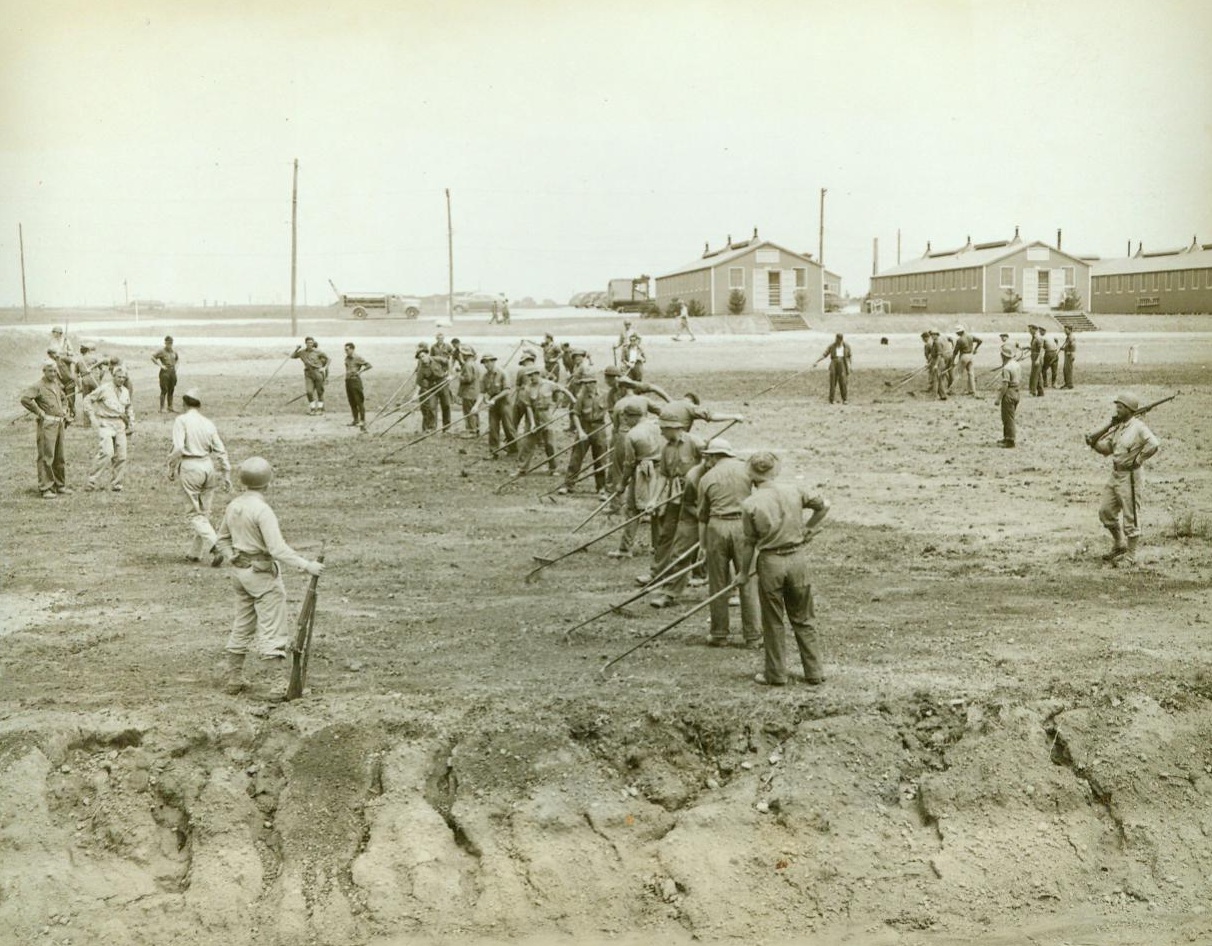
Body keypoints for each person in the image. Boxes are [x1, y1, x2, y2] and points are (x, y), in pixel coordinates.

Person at [212, 457, 325, 698]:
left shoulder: (234, 505)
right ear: (268, 482)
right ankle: (276, 684)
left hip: (240, 574)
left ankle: (234, 678)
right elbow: (277, 549)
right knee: (273, 626)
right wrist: (307, 566)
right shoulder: (262, 510)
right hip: (262, 575)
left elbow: (221, 539)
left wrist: (231, 556)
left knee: (242, 623)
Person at [738, 452, 830, 687]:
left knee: (773, 620)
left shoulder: (750, 504)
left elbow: (748, 543)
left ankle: (776, 674)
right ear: (774, 471)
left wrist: (742, 573)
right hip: (797, 559)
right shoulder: (794, 490)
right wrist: (808, 528)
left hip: (770, 562)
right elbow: (824, 506)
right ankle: (814, 672)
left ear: (752, 476)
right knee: (804, 617)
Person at [696, 439, 760, 646]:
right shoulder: (746, 470)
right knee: (748, 579)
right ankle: (753, 635)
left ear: (714, 456)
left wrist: (703, 545)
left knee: (718, 582)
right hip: (744, 526)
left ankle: (719, 634)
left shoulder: (706, 478)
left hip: (717, 526)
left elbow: (702, 516)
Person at [1086, 393, 1160, 566]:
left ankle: (1131, 556)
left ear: (1129, 409)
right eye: (1117, 406)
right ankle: (1119, 544)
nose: (1117, 410)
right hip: (1116, 474)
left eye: (1120, 407)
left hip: (1131, 477)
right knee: (1106, 511)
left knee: (1131, 516)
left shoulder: (1139, 427)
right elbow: (1107, 449)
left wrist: (1139, 459)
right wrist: (1094, 443)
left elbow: (1154, 444)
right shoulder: (1118, 427)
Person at [641, 410, 706, 589]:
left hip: (695, 497)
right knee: (666, 534)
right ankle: (657, 573)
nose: (661, 432)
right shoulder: (666, 449)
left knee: (695, 534)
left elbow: (709, 465)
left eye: (663, 428)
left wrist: (694, 480)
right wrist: (653, 499)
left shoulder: (696, 443)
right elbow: (663, 476)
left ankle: (699, 574)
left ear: (672, 428)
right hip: (674, 497)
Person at [167, 388, 232, 563]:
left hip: (190, 466)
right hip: (208, 466)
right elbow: (221, 450)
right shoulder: (208, 423)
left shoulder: (181, 420)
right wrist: (226, 473)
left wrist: (170, 465)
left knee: (194, 514)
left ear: (184, 404)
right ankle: (195, 553)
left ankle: (216, 546)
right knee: (204, 513)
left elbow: (178, 448)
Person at [611, 411, 664, 559]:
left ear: (634, 417)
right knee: (657, 507)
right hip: (661, 472)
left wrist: (622, 484)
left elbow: (629, 463)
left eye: (626, 419)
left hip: (643, 472)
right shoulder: (659, 426)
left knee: (632, 509)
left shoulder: (632, 434)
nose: (626, 422)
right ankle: (659, 547)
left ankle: (625, 549)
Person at [20, 361, 71, 498]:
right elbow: (25, 399)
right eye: (50, 371)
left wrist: (65, 409)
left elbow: (63, 398)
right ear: (44, 371)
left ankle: (60, 485)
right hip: (47, 425)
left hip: (59, 424)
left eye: (54, 371)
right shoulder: (38, 386)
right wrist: (39, 412)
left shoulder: (56, 384)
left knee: (60, 456)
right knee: (46, 456)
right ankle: (46, 487)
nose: (53, 374)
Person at [515, 366, 574, 475]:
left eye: (533, 375)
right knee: (527, 443)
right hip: (533, 415)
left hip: (546, 415)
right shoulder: (527, 388)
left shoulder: (549, 384)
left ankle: (553, 468)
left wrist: (574, 401)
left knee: (550, 443)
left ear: (538, 374)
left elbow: (564, 390)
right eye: (529, 375)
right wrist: (532, 423)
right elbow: (528, 407)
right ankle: (522, 468)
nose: (531, 377)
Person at [83, 365, 134, 492]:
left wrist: (131, 423)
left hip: (120, 424)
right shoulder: (104, 389)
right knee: (106, 452)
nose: (121, 379)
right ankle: (92, 481)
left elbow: (129, 407)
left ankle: (116, 483)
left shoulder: (125, 391)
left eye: (123, 377)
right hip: (105, 423)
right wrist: (92, 417)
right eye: (119, 377)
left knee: (121, 455)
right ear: (113, 376)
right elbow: (87, 399)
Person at [560, 376, 610, 497]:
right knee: (576, 458)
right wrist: (580, 431)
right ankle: (568, 485)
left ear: (594, 383)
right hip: (584, 427)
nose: (586, 386)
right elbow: (575, 415)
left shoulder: (605, 395)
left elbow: (612, 412)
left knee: (600, 458)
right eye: (584, 383)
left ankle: (601, 487)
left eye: (588, 383)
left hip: (599, 429)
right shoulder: (581, 397)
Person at [480, 353, 517, 458]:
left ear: (493, 361)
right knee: (493, 427)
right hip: (493, 405)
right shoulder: (485, 376)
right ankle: (493, 451)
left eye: (488, 362)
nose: (486, 364)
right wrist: (484, 400)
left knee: (508, 427)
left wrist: (494, 399)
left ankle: (513, 449)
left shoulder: (502, 373)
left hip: (505, 403)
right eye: (484, 362)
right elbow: (483, 392)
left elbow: (507, 390)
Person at [292, 337, 330, 415]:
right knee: (309, 392)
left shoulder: (318, 351)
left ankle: (320, 409)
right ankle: (312, 409)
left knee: (319, 392)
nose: (310, 344)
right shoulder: (302, 352)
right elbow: (292, 356)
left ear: (313, 343)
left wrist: (324, 368)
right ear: (305, 343)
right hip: (308, 373)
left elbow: (328, 359)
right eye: (308, 343)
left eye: (311, 343)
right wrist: (296, 349)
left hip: (317, 372)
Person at [994, 343, 1021, 448]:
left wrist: (998, 398)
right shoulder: (1016, 364)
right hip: (1016, 391)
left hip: (1009, 393)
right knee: (1009, 416)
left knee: (1008, 418)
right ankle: (1007, 437)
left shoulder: (1006, 368)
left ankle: (1010, 441)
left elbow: (1005, 385)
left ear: (1003, 355)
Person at [343, 342, 372, 430]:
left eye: (347, 349)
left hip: (355, 381)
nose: (346, 351)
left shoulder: (357, 357)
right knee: (352, 402)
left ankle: (362, 420)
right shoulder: (346, 358)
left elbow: (369, 365)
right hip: (348, 381)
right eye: (345, 350)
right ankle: (355, 420)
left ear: (352, 349)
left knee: (359, 401)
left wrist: (359, 372)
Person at [820, 333, 852, 405]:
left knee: (843, 382)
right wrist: (817, 361)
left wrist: (850, 366)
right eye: (836, 339)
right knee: (832, 382)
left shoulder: (846, 346)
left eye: (839, 340)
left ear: (841, 339)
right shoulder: (832, 346)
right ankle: (831, 399)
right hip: (833, 364)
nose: (837, 341)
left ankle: (844, 399)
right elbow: (825, 354)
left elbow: (849, 357)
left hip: (843, 364)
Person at [457, 345, 482, 435]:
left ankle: (471, 431)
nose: (461, 355)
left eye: (463, 354)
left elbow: (468, 379)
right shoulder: (474, 364)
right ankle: (476, 429)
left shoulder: (467, 365)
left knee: (468, 412)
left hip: (468, 392)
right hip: (475, 392)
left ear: (466, 355)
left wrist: (459, 376)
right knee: (474, 411)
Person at [152, 336, 180, 413]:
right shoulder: (161, 351)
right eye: (168, 343)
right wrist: (161, 365)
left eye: (171, 343)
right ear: (165, 343)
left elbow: (177, 360)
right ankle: (162, 408)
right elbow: (153, 357)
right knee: (164, 390)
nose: (169, 344)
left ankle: (170, 407)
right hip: (165, 372)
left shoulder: (174, 351)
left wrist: (176, 367)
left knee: (171, 389)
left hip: (172, 372)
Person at [952, 325, 983, 396]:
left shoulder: (960, 340)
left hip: (964, 356)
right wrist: (975, 349)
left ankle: (951, 389)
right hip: (971, 356)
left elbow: (955, 352)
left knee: (958, 373)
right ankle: (972, 390)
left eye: (957, 332)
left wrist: (952, 361)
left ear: (961, 332)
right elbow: (980, 341)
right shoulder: (970, 336)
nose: (956, 334)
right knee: (971, 374)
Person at [932, 332, 955, 400]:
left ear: (937, 335)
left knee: (937, 378)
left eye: (934, 335)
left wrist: (936, 365)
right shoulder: (939, 340)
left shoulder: (937, 342)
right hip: (946, 357)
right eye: (932, 335)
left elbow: (939, 354)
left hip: (940, 360)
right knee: (940, 378)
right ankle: (943, 395)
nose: (932, 336)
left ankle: (936, 395)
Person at [1027, 325, 1045, 397]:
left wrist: (1037, 359)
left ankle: (1033, 392)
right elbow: (1034, 347)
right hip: (1034, 357)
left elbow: (1041, 350)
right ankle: (1041, 392)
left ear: (1034, 330)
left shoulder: (1038, 338)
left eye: (1030, 330)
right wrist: (1026, 348)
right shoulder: (1034, 338)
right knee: (1038, 375)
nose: (1029, 331)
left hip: (1037, 358)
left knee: (1034, 375)